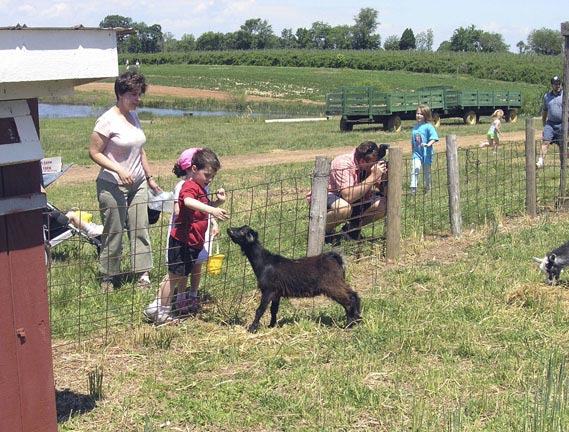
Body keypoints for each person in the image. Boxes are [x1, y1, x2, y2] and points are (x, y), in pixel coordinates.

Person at [88, 70, 162, 291]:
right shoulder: (106, 120)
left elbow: (140, 150)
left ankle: (142, 275)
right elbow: (94, 152)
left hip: (137, 183)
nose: (138, 100)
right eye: (134, 95)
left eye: (140, 95)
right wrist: (118, 169)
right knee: (114, 231)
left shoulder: (133, 116)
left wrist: (149, 178)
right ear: (120, 94)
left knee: (140, 228)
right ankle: (108, 277)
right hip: (112, 185)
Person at [144, 148, 229, 325]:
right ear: (194, 168)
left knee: (175, 275)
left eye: (213, 176)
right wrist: (212, 209)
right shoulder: (188, 186)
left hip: (193, 241)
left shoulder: (201, 187)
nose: (210, 179)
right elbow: (189, 202)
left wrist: (217, 203)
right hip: (182, 240)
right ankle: (162, 313)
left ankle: (155, 307)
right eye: (207, 175)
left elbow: (200, 207)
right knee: (173, 276)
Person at [324, 140, 388, 245]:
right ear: (363, 161)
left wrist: (386, 178)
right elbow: (348, 196)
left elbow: (386, 193)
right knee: (344, 208)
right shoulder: (343, 163)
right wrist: (373, 176)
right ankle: (324, 234)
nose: (375, 165)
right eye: (374, 162)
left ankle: (350, 231)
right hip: (330, 196)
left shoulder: (369, 164)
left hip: (357, 199)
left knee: (384, 204)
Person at [410, 104, 439, 195]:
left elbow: (434, 137)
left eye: (421, 114)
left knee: (427, 172)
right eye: (417, 113)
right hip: (417, 154)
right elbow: (413, 141)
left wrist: (428, 144)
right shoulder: (415, 128)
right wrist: (413, 151)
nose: (418, 115)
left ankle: (427, 187)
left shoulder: (428, 126)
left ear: (426, 115)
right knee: (415, 169)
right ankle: (413, 189)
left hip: (427, 153)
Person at [536, 76, 564, 168]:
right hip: (550, 124)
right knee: (545, 141)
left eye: (559, 84)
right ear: (552, 85)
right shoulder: (547, 96)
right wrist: (544, 122)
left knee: (562, 145)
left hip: (562, 124)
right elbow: (545, 110)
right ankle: (540, 161)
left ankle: (562, 165)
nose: (558, 86)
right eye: (556, 84)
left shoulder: (565, 95)